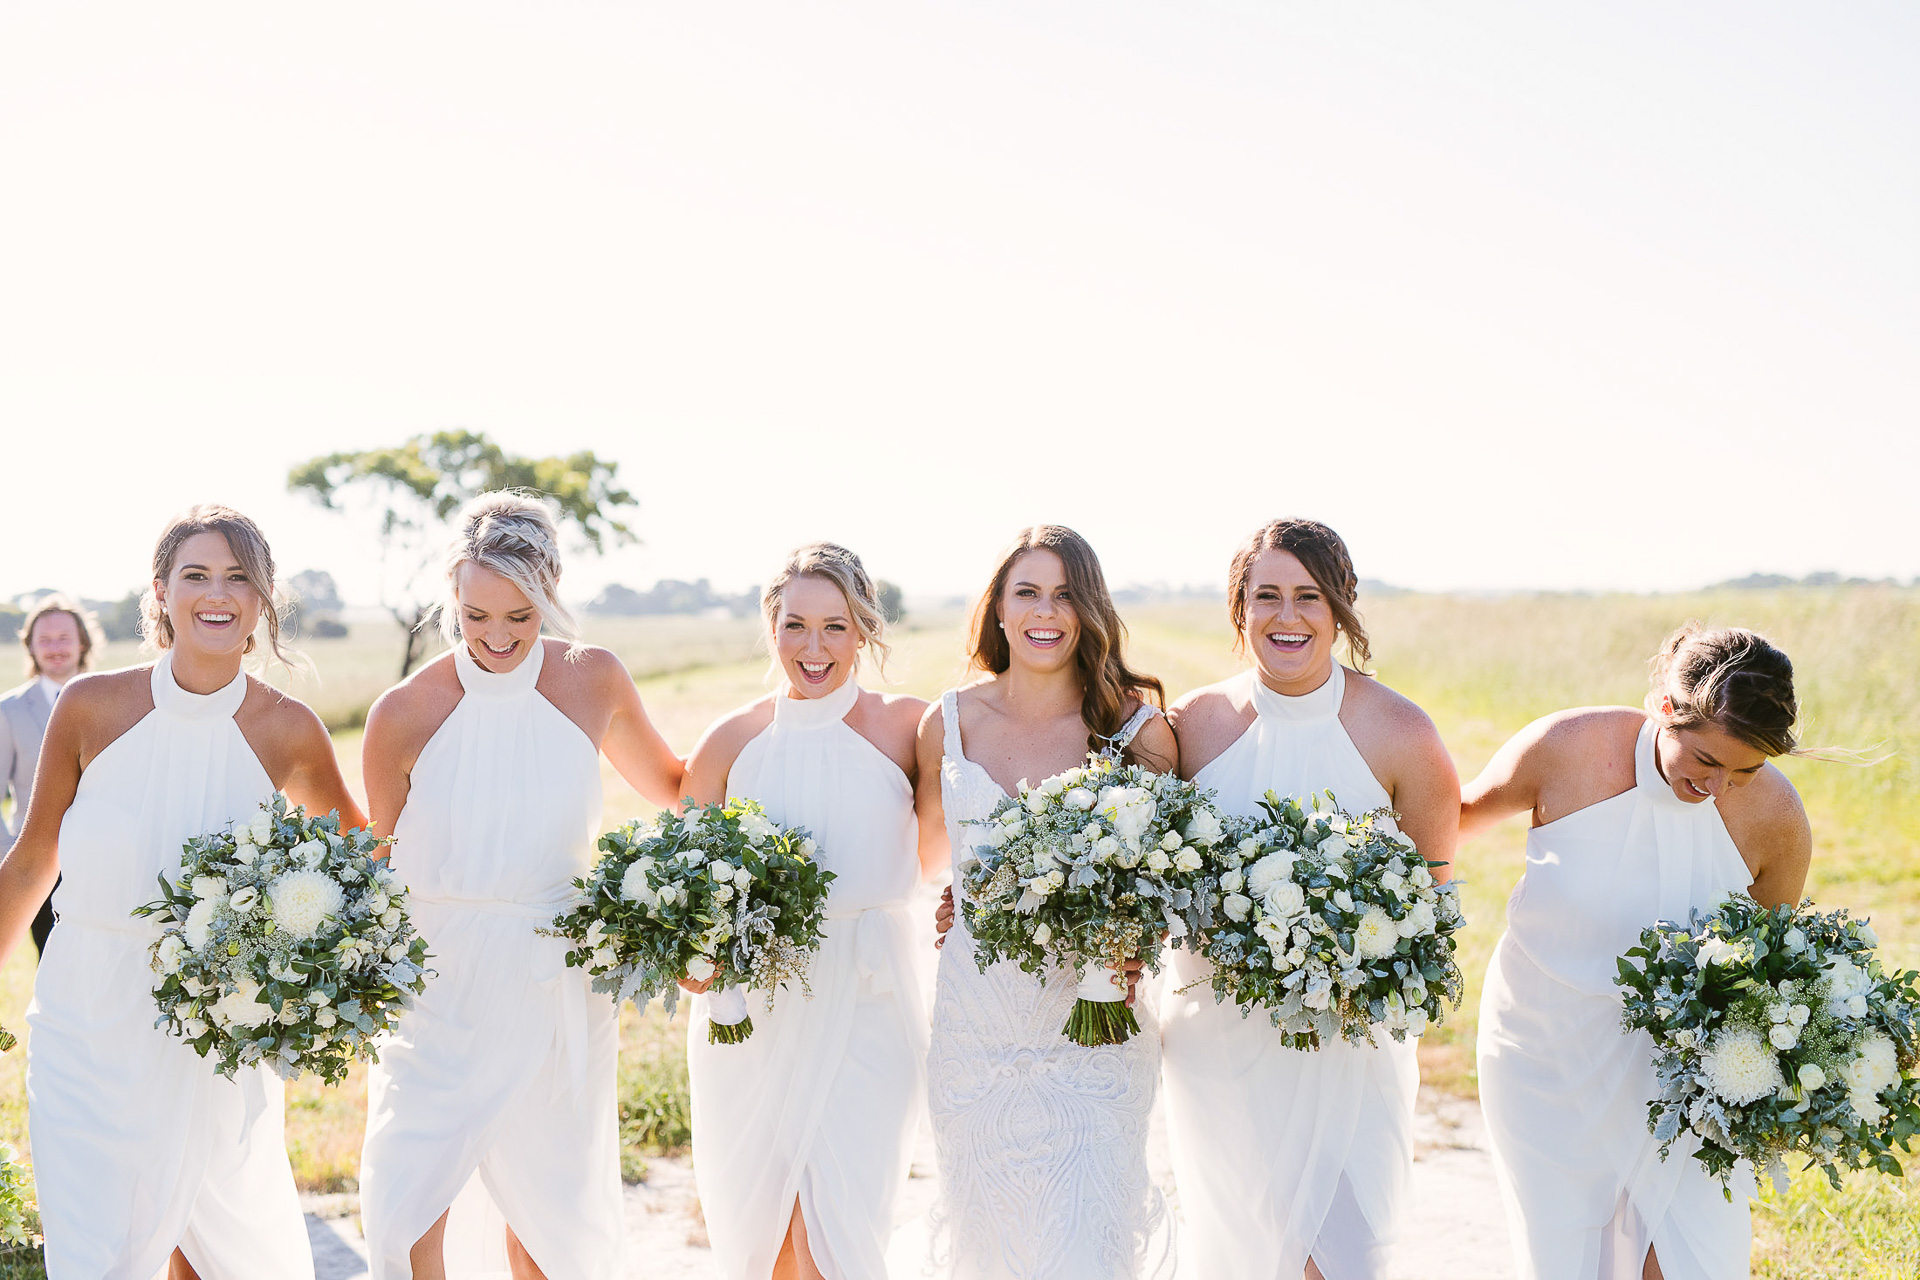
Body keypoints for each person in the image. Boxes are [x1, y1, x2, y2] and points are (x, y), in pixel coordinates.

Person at [0, 505, 359, 1279]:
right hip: (85, 1020)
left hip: (216, 1031)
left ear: (263, 601)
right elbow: (33, 862)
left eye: (238, 577)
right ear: (160, 591)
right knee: (94, 1246)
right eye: (195, 574)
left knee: (217, 1248)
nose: (216, 593)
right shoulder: (89, 706)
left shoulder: (289, 730)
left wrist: (312, 980)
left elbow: (361, 869)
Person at [356, 491, 684, 1280]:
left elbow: (676, 787)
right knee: (405, 1208)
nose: (497, 638)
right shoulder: (402, 712)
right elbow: (376, 862)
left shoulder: (592, 679)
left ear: (552, 592)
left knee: (546, 1220)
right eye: (476, 617)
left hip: (554, 982)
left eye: (521, 615)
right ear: (452, 598)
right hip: (435, 990)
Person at [1160, 518, 1460, 1280]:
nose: (1287, 617)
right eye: (1267, 597)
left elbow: (1433, 904)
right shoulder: (1192, 726)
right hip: (1217, 1037)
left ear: (1341, 607)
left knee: (1341, 1249)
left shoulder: (1402, 733)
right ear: (1240, 610)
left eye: (1309, 596)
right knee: (1242, 1245)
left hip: (1345, 1043)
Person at [1465, 624, 1812, 1279]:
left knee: (1688, 1256)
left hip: (1680, 1069)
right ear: (1663, 712)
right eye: (1705, 762)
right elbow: (1451, 820)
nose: (1719, 788)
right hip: (1543, 1045)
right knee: (1564, 1252)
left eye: (1747, 770)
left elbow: (1774, 969)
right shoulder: (1567, 746)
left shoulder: (1776, 819)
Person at [918, 524, 1179, 1280]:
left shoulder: (1134, 730)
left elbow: (1171, 874)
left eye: (1066, 594)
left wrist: (1134, 937)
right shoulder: (949, 722)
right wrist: (958, 896)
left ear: (1089, 609)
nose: (1046, 611)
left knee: (1085, 1236)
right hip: (976, 1024)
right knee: (990, 1232)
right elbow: (940, 853)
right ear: (998, 609)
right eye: (1027, 591)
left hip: (1091, 1023)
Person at [680, 542, 931, 1279]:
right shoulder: (731, 739)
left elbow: (952, 839)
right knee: (768, 1224)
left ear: (864, 631)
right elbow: (682, 880)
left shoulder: (907, 728)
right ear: (770, 626)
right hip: (756, 1009)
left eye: (835, 627)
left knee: (841, 1219)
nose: (813, 648)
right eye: (795, 625)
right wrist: (694, 956)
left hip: (868, 998)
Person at [1, 595, 104, 955]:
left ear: (83, 642)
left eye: (64, 637)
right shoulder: (8, 711)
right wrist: (8, 861)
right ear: (29, 645)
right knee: (51, 966)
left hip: (105, 863)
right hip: (38, 867)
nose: (55, 648)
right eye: (45, 639)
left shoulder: (113, 704)